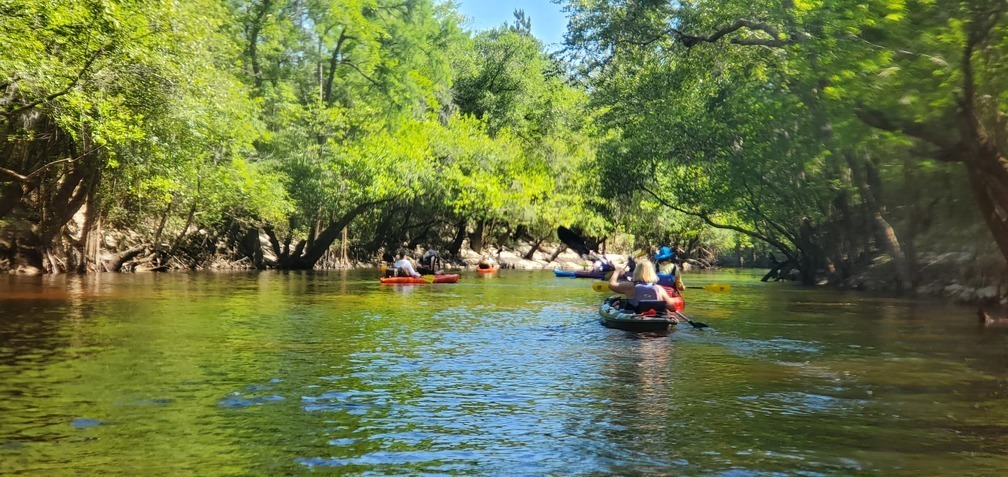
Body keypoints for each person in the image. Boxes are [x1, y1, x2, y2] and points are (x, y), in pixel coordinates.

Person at [608, 259, 682, 312]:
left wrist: (616, 272)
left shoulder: (629, 286)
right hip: (655, 321)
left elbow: (611, 285)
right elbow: (672, 308)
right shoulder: (659, 289)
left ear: (636, 271)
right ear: (652, 272)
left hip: (635, 319)